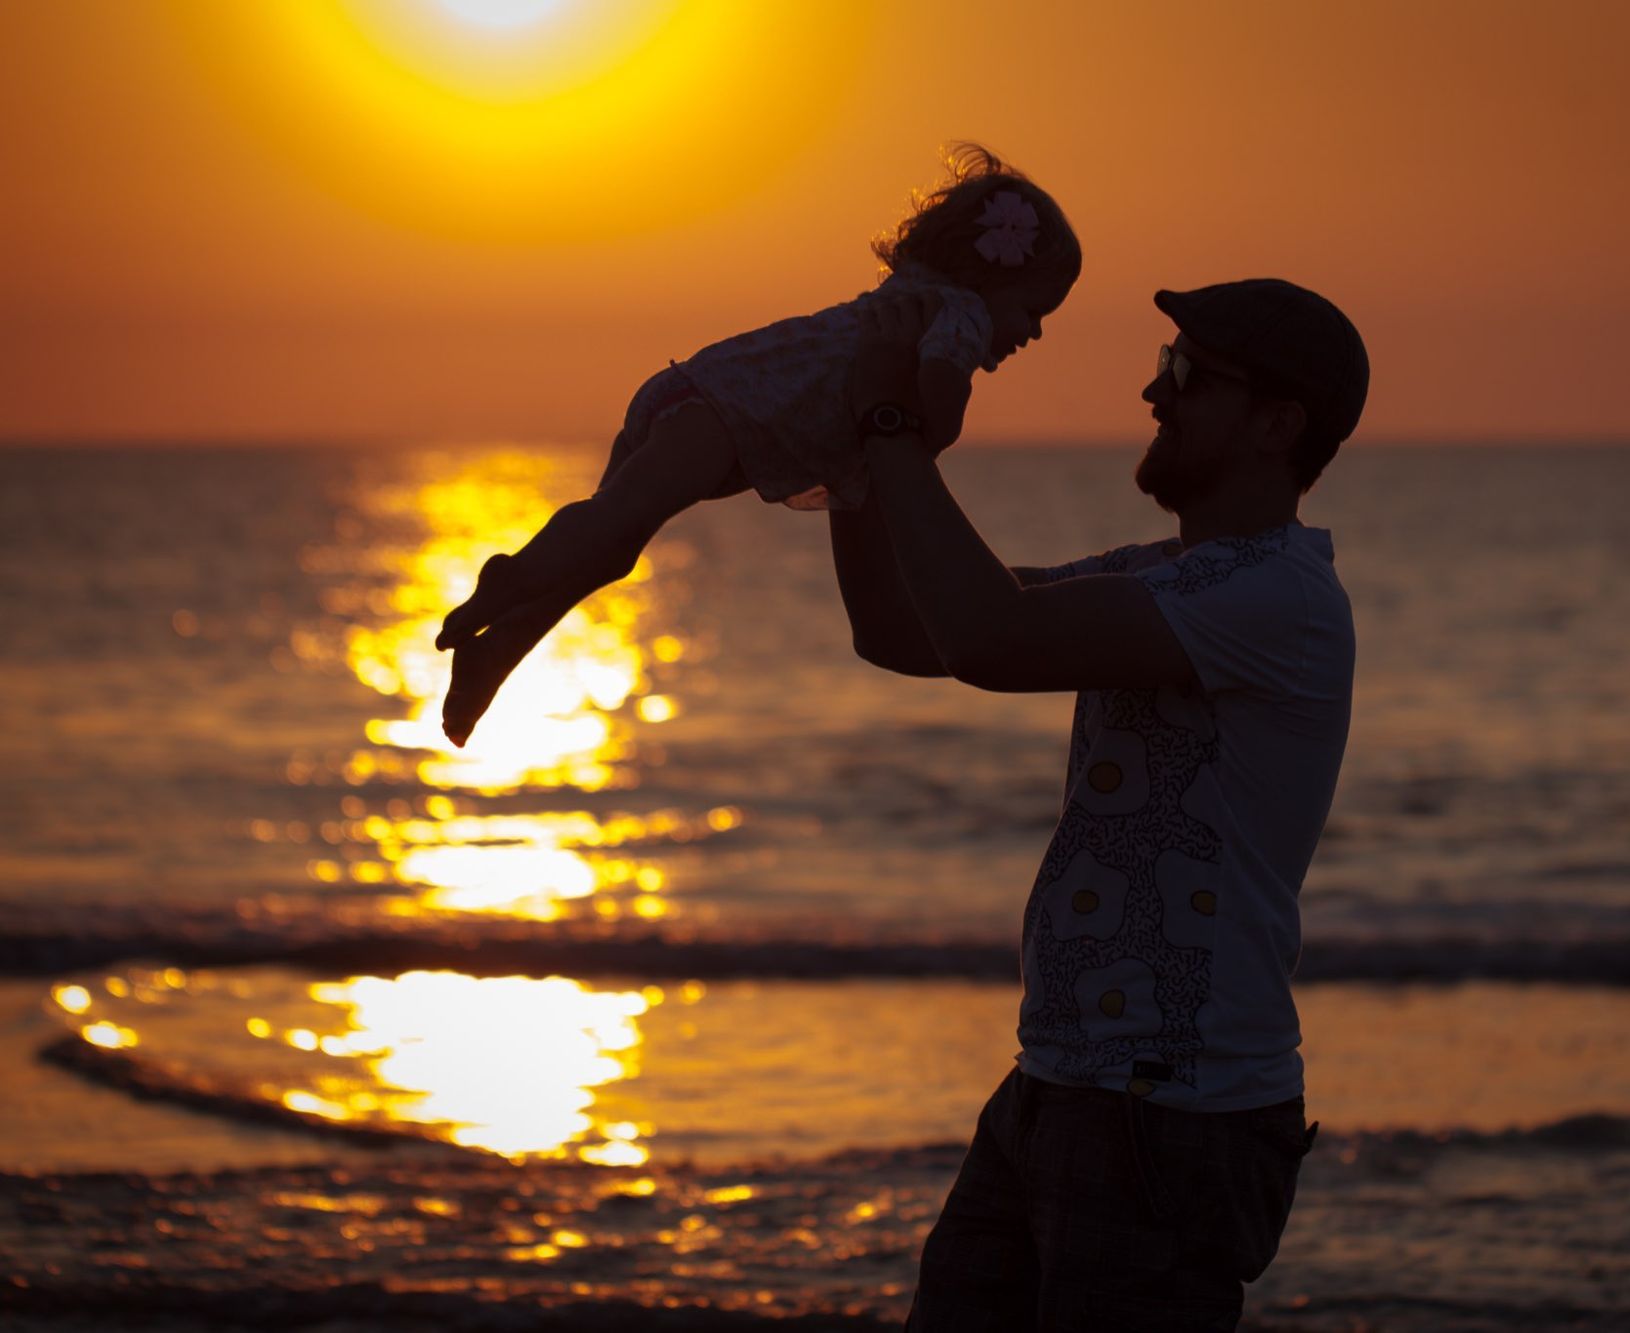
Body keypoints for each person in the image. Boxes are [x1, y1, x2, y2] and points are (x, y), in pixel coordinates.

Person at [835, 277, 1367, 1331]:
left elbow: (986, 639)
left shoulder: (1275, 598)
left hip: (1170, 1109)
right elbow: (903, 628)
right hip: (1058, 1081)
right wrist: (857, 461)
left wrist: (894, 427)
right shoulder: (1165, 577)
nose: (1149, 391)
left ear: (1276, 423)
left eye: (1183, 372)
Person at [433, 144, 1081, 747]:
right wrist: (931, 421)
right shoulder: (957, 315)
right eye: (1033, 310)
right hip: (719, 415)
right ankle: (510, 576)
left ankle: (498, 650)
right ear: (989, 279)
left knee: (611, 546)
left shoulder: (908, 294)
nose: (1036, 332)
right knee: (613, 526)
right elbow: (937, 411)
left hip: (694, 395)